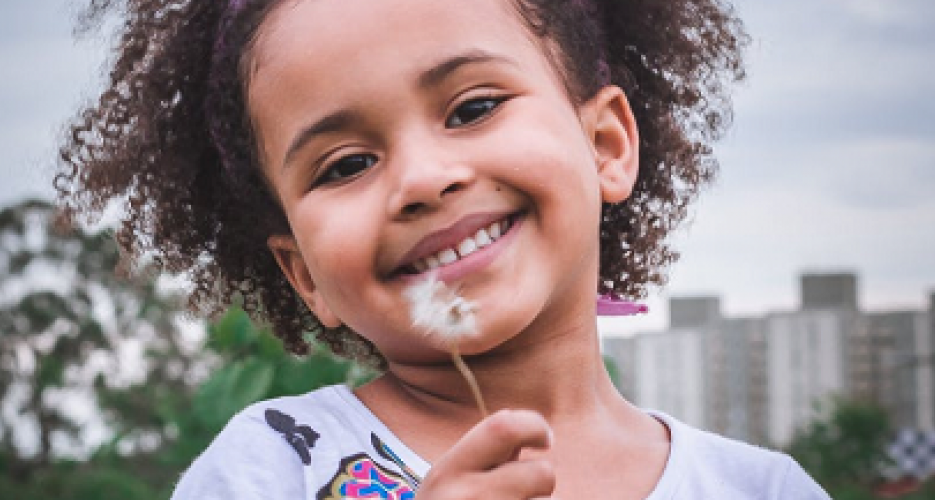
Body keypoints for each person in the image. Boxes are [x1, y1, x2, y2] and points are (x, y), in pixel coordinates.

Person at [57, 0, 829, 497]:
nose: (422, 180)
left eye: (474, 107)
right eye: (347, 165)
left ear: (606, 144)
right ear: (303, 275)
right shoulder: (273, 469)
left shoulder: (761, 489)